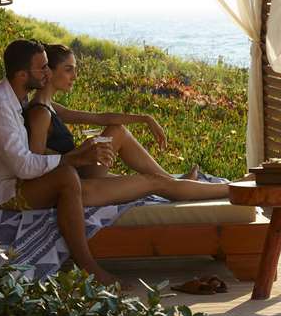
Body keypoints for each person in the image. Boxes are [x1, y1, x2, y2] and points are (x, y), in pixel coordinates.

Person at [0, 39, 118, 284]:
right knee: (67, 176)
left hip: (15, 178)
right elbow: (23, 167)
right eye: (43, 68)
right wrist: (73, 158)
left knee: (69, 172)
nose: (48, 72)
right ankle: (87, 265)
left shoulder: (17, 98)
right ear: (22, 75)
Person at [23, 44, 229, 203]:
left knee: (117, 129)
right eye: (68, 69)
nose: (75, 76)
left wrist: (146, 119)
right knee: (155, 182)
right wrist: (80, 155)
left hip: (79, 174)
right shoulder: (40, 113)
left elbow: (101, 118)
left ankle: (175, 182)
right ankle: (231, 189)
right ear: (49, 72)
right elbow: (35, 170)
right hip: (74, 185)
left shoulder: (49, 106)